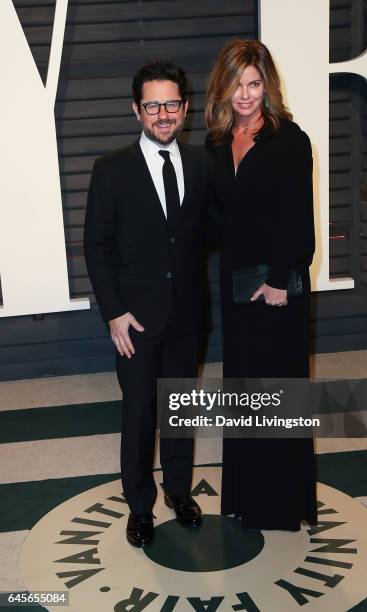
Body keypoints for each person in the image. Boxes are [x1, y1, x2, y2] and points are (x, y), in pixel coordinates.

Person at [84, 60, 209, 547]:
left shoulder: (202, 164)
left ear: (185, 107)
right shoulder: (110, 170)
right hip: (134, 321)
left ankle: (180, 491)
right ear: (136, 110)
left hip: (187, 316)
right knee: (138, 416)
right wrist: (114, 312)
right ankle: (140, 507)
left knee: (180, 411)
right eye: (153, 105)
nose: (163, 114)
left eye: (171, 103)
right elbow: (97, 247)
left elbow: (212, 232)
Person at [205, 40, 318, 530]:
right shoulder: (217, 141)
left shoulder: (290, 140)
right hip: (236, 288)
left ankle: (281, 505)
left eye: (255, 84)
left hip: (275, 290)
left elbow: (298, 219)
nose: (246, 95)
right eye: (237, 84)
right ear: (223, 87)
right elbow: (216, 219)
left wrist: (277, 280)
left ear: (267, 86)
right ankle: (247, 497)